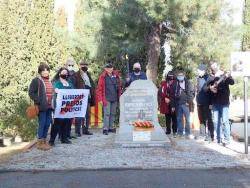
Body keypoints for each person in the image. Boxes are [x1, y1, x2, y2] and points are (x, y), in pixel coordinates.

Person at [205, 61, 234, 146]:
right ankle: (218, 139)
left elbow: (232, 82)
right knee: (216, 121)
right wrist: (210, 88)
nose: (213, 67)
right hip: (215, 103)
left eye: (214, 65)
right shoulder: (211, 77)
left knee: (225, 121)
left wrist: (227, 77)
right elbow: (205, 88)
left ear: (217, 65)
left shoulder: (224, 75)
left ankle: (227, 140)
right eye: (211, 66)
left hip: (224, 102)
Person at [29, 63, 53, 150]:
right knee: (42, 123)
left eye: (47, 70)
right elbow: (31, 92)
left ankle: (44, 141)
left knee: (47, 123)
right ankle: (40, 143)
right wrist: (39, 101)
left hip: (50, 106)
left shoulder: (50, 80)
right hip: (42, 106)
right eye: (43, 70)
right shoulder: (36, 80)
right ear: (40, 72)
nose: (45, 72)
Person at [49, 67, 74, 145]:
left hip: (68, 106)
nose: (65, 74)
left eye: (66, 73)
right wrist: (55, 91)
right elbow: (52, 92)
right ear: (59, 74)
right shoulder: (56, 83)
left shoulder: (69, 83)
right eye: (63, 73)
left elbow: (74, 92)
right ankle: (51, 140)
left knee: (66, 122)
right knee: (57, 123)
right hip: (59, 105)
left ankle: (64, 138)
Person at [96, 61, 122, 135]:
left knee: (113, 113)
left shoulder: (116, 76)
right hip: (106, 98)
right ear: (105, 69)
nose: (110, 69)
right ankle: (105, 128)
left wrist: (119, 96)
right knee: (107, 114)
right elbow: (99, 89)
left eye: (111, 68)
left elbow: (119, 86)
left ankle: (111, 127)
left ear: (112, 68)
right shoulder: (103, 76)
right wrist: (100, 99)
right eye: (108, 68)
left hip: (114, 98)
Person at [74, 60, 95, 136]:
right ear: (80, 66)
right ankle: (77, 131)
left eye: (86, 65)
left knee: (87, 114)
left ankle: (85, 129)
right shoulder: (76, 75)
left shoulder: (88, 74)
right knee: (79, 114)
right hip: (80, 97)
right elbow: (74, 86)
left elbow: (92, 85)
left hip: (88, 96)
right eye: (83, 65)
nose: (84, 66)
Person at [171, 69, 194, 138]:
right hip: (178, 104)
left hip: (186, 104)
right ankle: (180, 133)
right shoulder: (175, 83)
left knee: (187, 119)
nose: (180, 76)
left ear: (184, 76)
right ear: (177, 76)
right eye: (179, 75)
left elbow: (192, 93)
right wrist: (173, 106)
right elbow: (172, 95)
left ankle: (188, 133)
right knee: (179, 119)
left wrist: (188, 102)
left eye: (181, 75)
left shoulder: (188, 83)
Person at [196, 64, 214, 141]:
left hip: (207, 102)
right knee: (201, 119)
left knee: (209, 119)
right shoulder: (198, 78)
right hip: (200, 102)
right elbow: (198, 90)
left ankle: (210, 135)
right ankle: (202, 134)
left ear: (203, 70)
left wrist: (211, 103)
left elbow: (211, 92)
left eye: (199, 70)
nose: (198, 72)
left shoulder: (209, 78)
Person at [158, 71, 177, 136]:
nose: (170, 80)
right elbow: (160, 92)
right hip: (166, 104)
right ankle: (168, 130)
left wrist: (170, 100)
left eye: (172, 79)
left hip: (173, 103)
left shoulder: (175, 83)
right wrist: (164, 98)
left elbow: (176, 94)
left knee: (174, 117)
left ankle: (174, 130)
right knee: (167, 118)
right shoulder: (163, 83)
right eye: (169, 79)